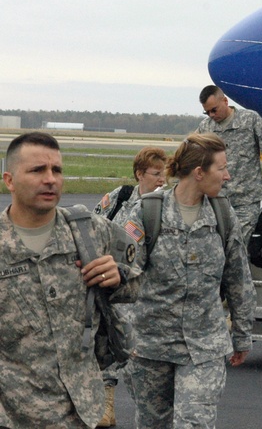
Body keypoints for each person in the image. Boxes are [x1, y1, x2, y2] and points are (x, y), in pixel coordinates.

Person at [1, 132, 139, 429]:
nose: (50, 179)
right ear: (9, 180)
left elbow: (140, 284)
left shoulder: (92, 233)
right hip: (11, 413)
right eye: (37, 170)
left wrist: (118, 277)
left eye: (57, 170)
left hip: (80, 410)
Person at [125, 134, 255, 429]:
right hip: (150, 346)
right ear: (199, 172)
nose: (227, 175)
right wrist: (124, 336)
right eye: (221, 168)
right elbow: (124, 279)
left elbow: (239, 277)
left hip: (204, 345)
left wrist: (243, 334)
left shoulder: (223, 214)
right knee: (152, 423)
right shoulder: (147, 212)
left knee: (194, 422)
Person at [92, 145, 168, 427]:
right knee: (105, 341)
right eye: (155, 173)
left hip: (144, 286)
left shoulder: (165, 206)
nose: (162, 180)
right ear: (139, 174)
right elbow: (93, 224)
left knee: (136, 352)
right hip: (112, 282)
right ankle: (106, 405)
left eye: (165, 174)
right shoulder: (119, 197)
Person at [198, 85, 262, 240]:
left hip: (246, 199)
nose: (211, 115)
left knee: (237, 242)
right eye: (207, 112)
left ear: (225, 101)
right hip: (216, 198)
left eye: (214, 110)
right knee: (216, 244)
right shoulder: (205, 127)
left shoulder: (250, 120)